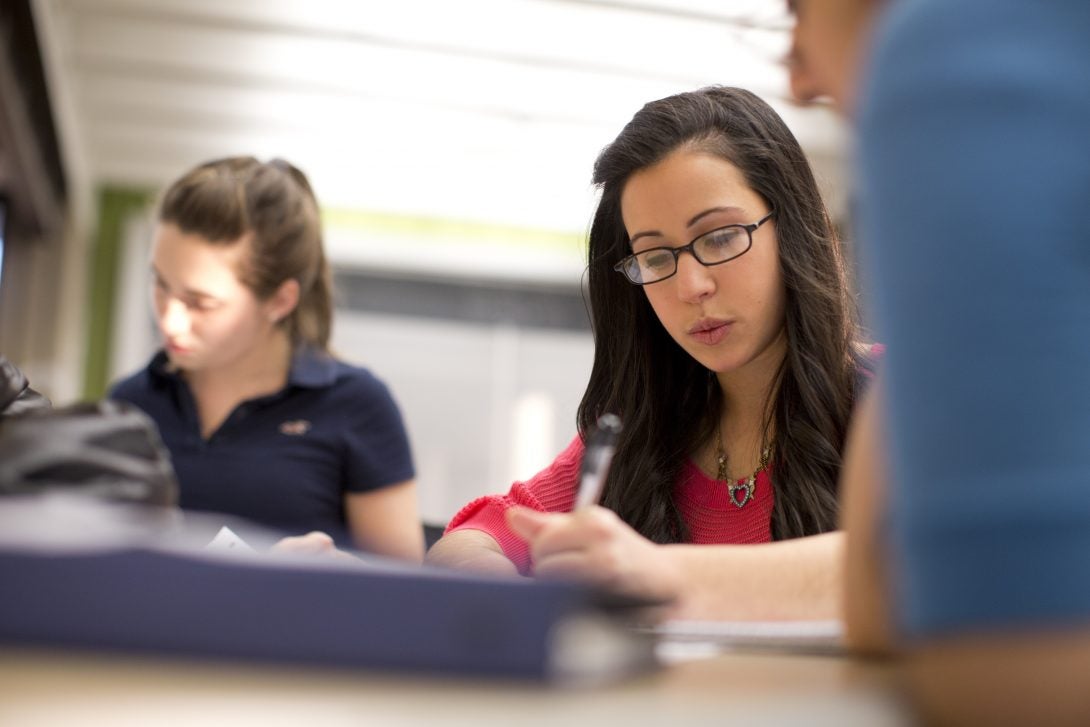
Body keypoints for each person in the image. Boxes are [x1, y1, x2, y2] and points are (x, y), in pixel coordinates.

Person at [427, 87, 878, 621]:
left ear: (794, 228)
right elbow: (476, 536)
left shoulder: (896, 399)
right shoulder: (649, 428)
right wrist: (504, 592)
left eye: (720, 237)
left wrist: (660, 574)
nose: (691, 286)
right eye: (655, 256)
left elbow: (912, 563)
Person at [791, 1, 1090, 724]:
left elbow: (1005, 677)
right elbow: (875, 609)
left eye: (795, 10)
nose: (797, 79)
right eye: (652, 258)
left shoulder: (965, 42)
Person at [110, 157, 423, 562]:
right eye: (160, 284)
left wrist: (333, 578)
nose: (169, 320)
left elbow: (405, 597)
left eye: (201, 302)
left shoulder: (359, 406)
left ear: (280, 300)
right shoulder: (129, 403)